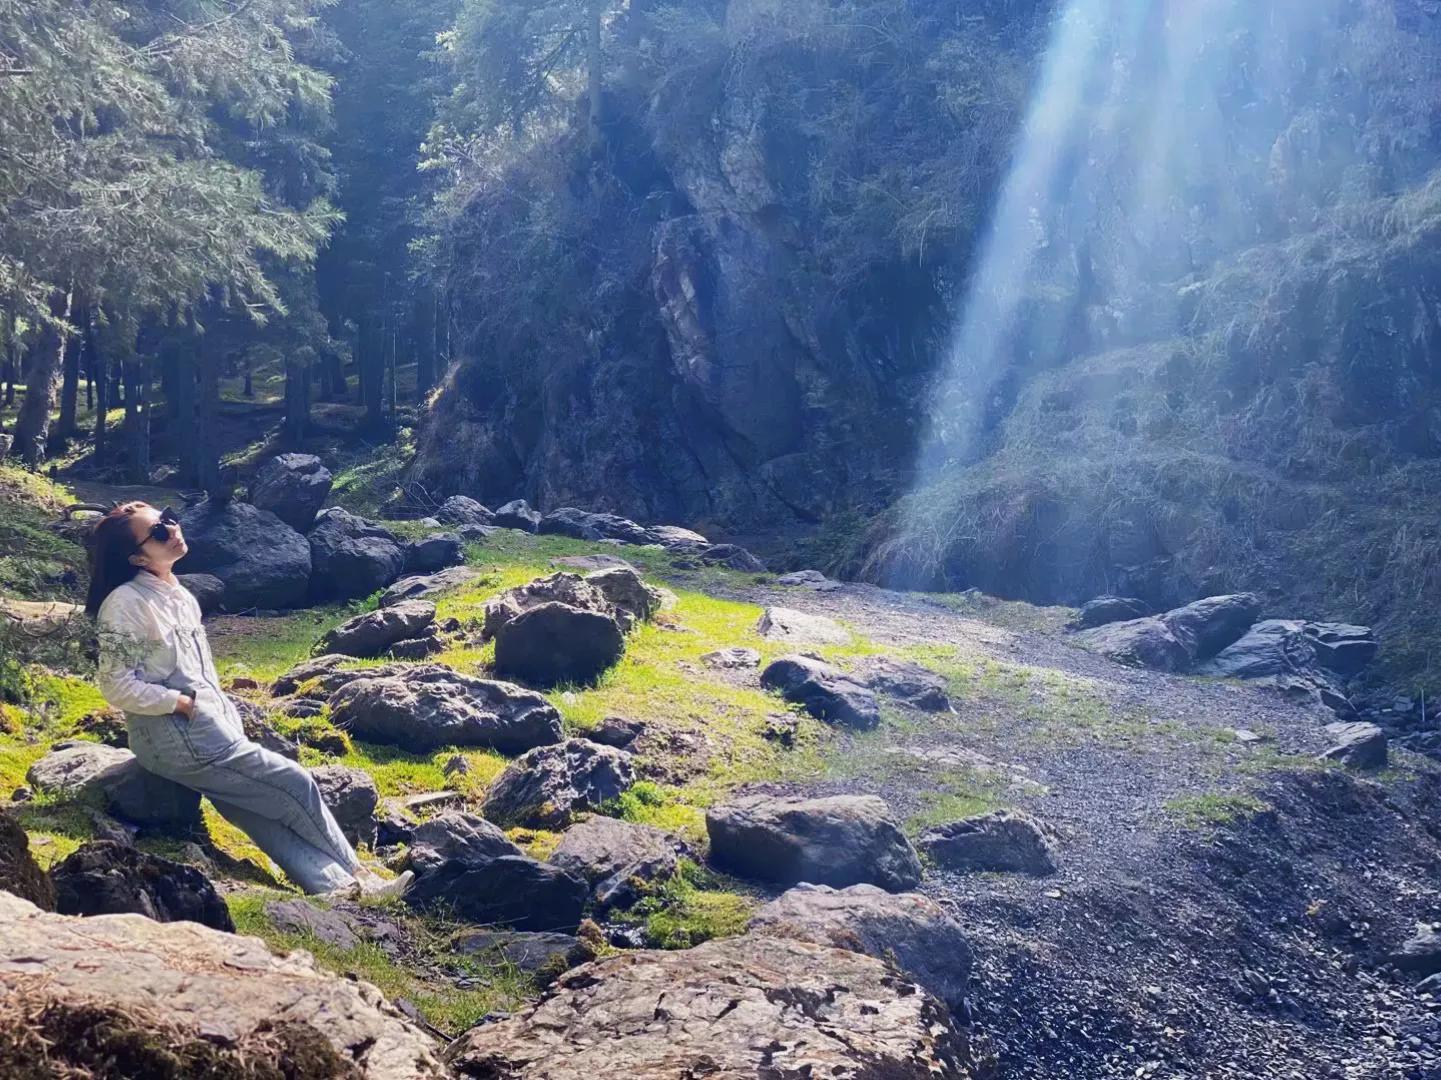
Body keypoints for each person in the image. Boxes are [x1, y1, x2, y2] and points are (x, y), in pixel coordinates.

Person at [86, 501, 410, 901]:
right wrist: (179, 702)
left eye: (169, 517)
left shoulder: (179, 594)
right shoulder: (126, 603)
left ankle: (337, 889)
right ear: (136, 556)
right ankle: (364, 877)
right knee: (296, 784)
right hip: (176, 734)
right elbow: (115, 684)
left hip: (206, 727)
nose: (172, 529)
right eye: (157, 532)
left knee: (258, 815)